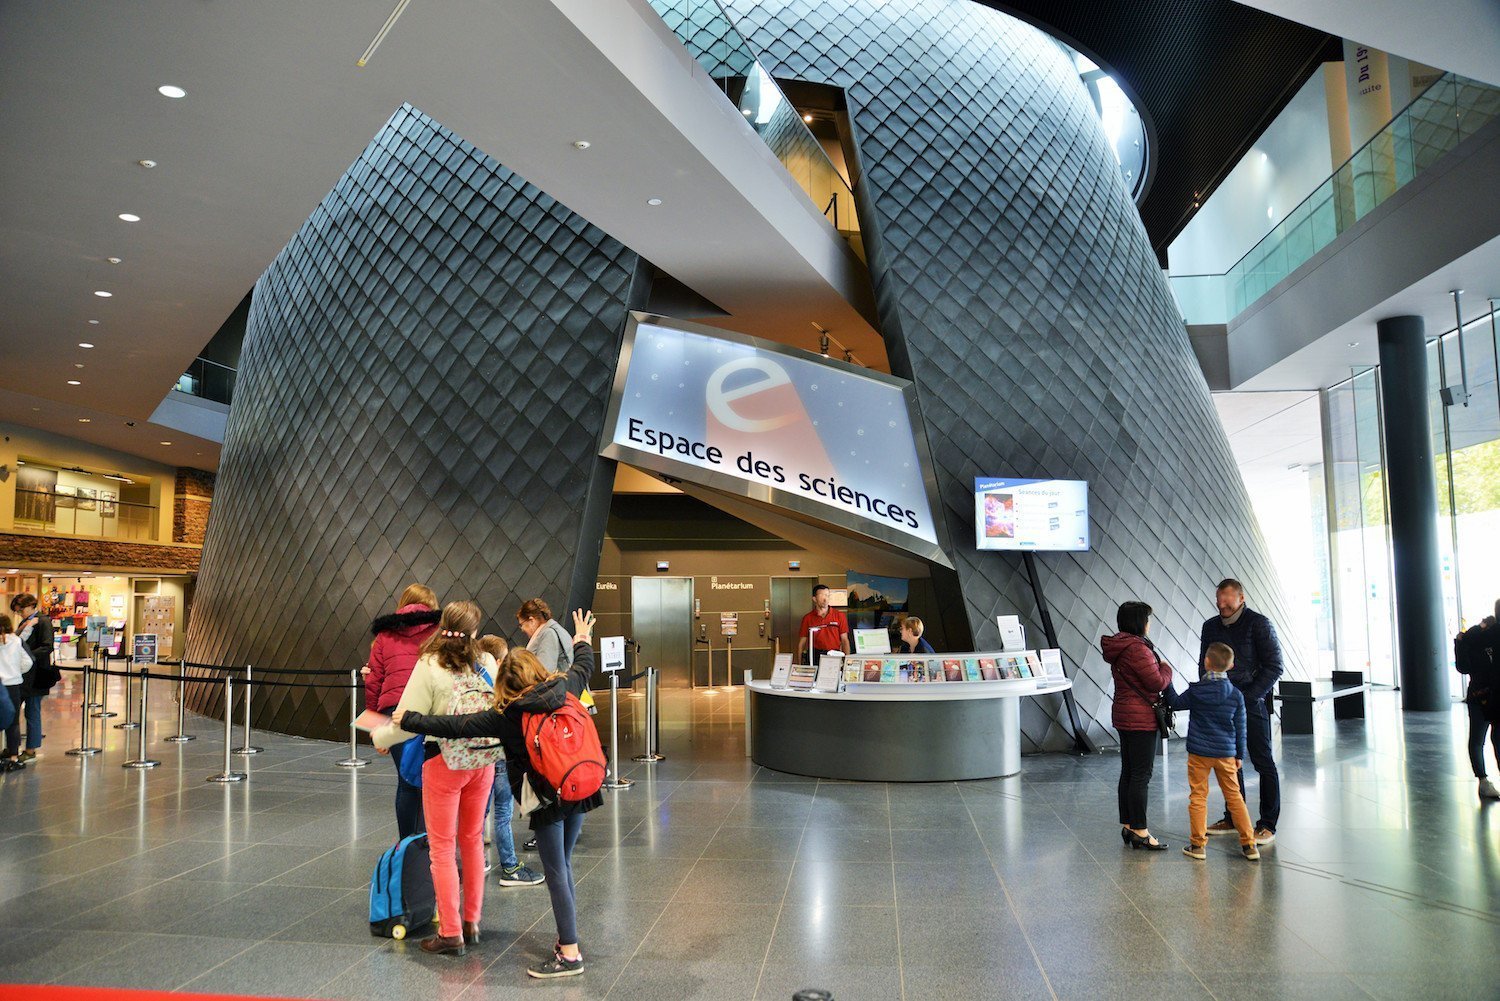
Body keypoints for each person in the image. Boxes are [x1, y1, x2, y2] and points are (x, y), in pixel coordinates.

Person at [397, 609, 604, 980]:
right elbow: (584, 663)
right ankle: (566, 937)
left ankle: (569, 954)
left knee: (555, 871)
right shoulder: (564, 686)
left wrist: (409, 720)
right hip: (580, 787)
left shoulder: (508, 714)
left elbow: (456, 726)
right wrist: (582, 636)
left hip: (544, 797)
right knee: (565, 865)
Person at [378, 601, 498, 956]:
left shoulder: (430, 665)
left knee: (442, 848)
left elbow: (405, 719)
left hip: (445, 763)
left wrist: (380, 739)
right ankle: (471, 922)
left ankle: (449, 932)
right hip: (483, 761)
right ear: (475, 632)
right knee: (473, 840)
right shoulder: (487, 663)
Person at [1199, 578, 1282, 845]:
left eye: (1227, 599)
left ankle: (1267, 824)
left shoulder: (1259, 624)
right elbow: (1205, 665)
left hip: (1252, 705)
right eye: (1218, 598)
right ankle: (1234, 818)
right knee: (1229, 765)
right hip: (1222, 707)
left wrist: (1247, 697)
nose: (1221, 604)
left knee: (1262, 761)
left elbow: (1274, 666)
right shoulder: (1210, 626)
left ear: (1241, 599)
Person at [1166, 642, 1259, 861]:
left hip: (1199, 753)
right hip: (1226, 753)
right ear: (1232, 665)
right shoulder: (1236, 695)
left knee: (1198, 796)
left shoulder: (1197, 690)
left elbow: (1175, 703)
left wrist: (1167, 679)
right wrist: (1239, 755)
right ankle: (1249, 845)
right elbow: (1241, 726)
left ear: (1206, 662)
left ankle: (1198, 846)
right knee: (1235, 797)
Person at [364, 583, 441, 839]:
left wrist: (376, 730)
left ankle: (407, 846)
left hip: (393, 710)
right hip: (429, 712)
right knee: (433, 781)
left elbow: (374, 682)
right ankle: (432, 843)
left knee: (406, 781)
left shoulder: (384, 635)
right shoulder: (438, 630)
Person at [1101, 600, 1172, 850]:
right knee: (1141, 775)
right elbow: (1155, 683)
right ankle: (1141, 830)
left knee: (1129, 772)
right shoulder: (1138, 649)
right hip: (1140, 717)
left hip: (1123, 714)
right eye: (1148, 619)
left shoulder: (1120, 646)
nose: (1150, 623)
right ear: (1139, 622)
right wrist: (1166, 669)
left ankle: (1130, 825)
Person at [476, 634, 544, 886]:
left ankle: (478, 861)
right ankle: (510, 867)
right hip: (502, 756)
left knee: (479, 814)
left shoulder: (473, 677)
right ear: (499, 658)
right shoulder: (502, 682)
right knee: (503, 813)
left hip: (480, 755)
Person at [1455, 607, 1500, 801]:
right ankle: (1484, 781)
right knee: (1496, 738)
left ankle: (1483, 780)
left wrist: (1478, 627)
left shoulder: (1475, 637)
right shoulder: (1488, 636)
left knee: (1477, 739)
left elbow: (1463, 666)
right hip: (1494, 695)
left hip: (1479, 694)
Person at [11, 594, 54, 762]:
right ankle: (13, 748)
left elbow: (47, 646)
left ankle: (30, 749)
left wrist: (26, 656)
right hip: (22, 675)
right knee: (14, 712)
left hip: (36, 675)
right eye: (17, 611)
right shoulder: (26, 621)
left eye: (21, 610)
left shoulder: (43, 621)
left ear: (30, 605)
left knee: (32, 711)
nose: (19, 613)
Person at [795, 584, 850, 666]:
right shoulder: (808, 618)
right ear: (814, 599)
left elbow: (845, 640)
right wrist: (799, 665)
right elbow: (802, 643)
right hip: (815, 656)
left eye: (827, 595)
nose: (825, 599)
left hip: (834, 655)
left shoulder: (839, 616)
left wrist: (847, 662)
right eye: (822, 596)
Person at [1, 614, 29, 772]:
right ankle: (13, 757)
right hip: (12, 685)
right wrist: (16, 672)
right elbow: (28, 662)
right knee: (13, 723)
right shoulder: (17, 641)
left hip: (0, 683)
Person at [517, 598, 574, 672]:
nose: (522, 629)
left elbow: (544, 671)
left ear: (531, 621)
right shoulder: (553, 631)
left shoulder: (549, 634)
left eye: (522, 624)